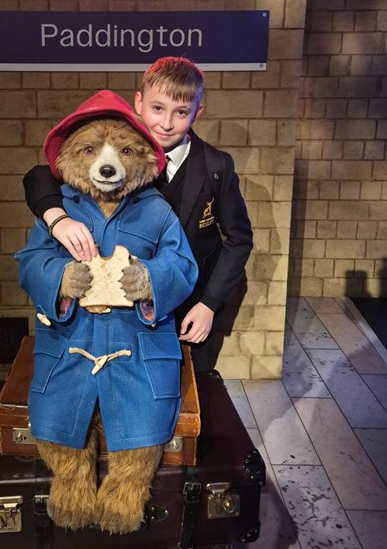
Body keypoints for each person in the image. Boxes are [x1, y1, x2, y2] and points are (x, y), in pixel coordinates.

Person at [23, 57, 253, 370]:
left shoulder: (216, 167)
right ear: (139, 103)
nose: (166, 123)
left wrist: (209, 304)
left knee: (188, 389)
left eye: (181, 112)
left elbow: (238, 239)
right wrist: (56, 217)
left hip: (189, 304)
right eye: (158, 109)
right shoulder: (119, 144)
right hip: (119, 316)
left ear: (197, 112)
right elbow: (42, 173)